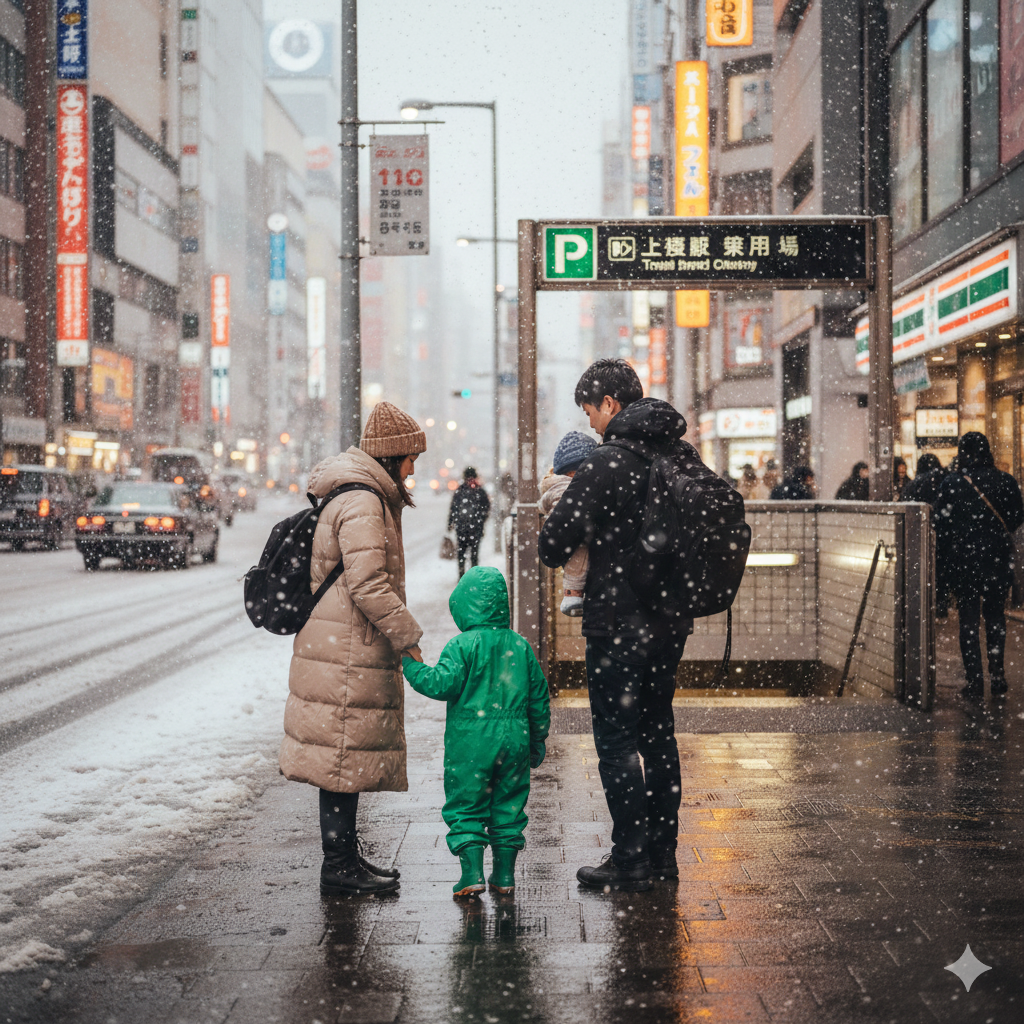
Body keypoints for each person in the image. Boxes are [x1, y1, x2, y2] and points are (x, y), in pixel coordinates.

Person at [538, 358, 691, 892]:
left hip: (617, 627)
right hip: (670, 623)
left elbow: (551, 544)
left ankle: (629, 858)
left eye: (591, 411)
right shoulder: (679, 452)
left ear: (610, 405)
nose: (592, 424)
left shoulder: (606, 464)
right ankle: (663, 855)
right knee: (659, 735)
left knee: (618, 740)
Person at [279, 401, 426, 896]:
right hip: (344, 652)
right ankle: (339, 866)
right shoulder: (363, 502)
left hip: (343, 645)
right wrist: (408, 635)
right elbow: (367, 585)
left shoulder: (360, 495)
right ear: (391, 456)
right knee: (342, 761)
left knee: (345, 761)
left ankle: (345, 858)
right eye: (410, 458)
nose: (413, 469)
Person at [402, 566, 550, 896]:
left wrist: (410, 664)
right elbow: (539, 695)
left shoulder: (461, 646)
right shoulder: (520, 645)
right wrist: (538, 738)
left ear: (464, 606)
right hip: (514, 740)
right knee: (508, 806)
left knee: (467, 804)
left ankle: (471, 874)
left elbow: (439, 683)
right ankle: (504, 875)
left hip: (470, 743)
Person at [933, 432, 1024, 701]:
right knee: (995, 617)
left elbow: (941, 522)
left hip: (965, 560)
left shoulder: (953, 482)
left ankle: (974, 681)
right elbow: (1018, 516)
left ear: (962, 452)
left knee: (969, 620)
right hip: (997, 557)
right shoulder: (1005, 481)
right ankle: (997, 676)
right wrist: (995, 533)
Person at [539, 431, 598, 616]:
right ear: (574, 472)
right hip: (592, 587)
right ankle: (573, 593)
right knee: (579, 555)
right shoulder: (568, 490)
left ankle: (573, 593)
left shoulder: (560, 487)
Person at [448, 467, 491, 577]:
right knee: (474, 554)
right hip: (476, 528)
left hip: (462, 528)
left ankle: (461, 576)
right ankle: (474, 577)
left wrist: (451, 523)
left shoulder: (460, 490)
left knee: (461, 553)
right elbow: (486, 508)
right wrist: (481, 521)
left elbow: (453, 508)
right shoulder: (480, 491)